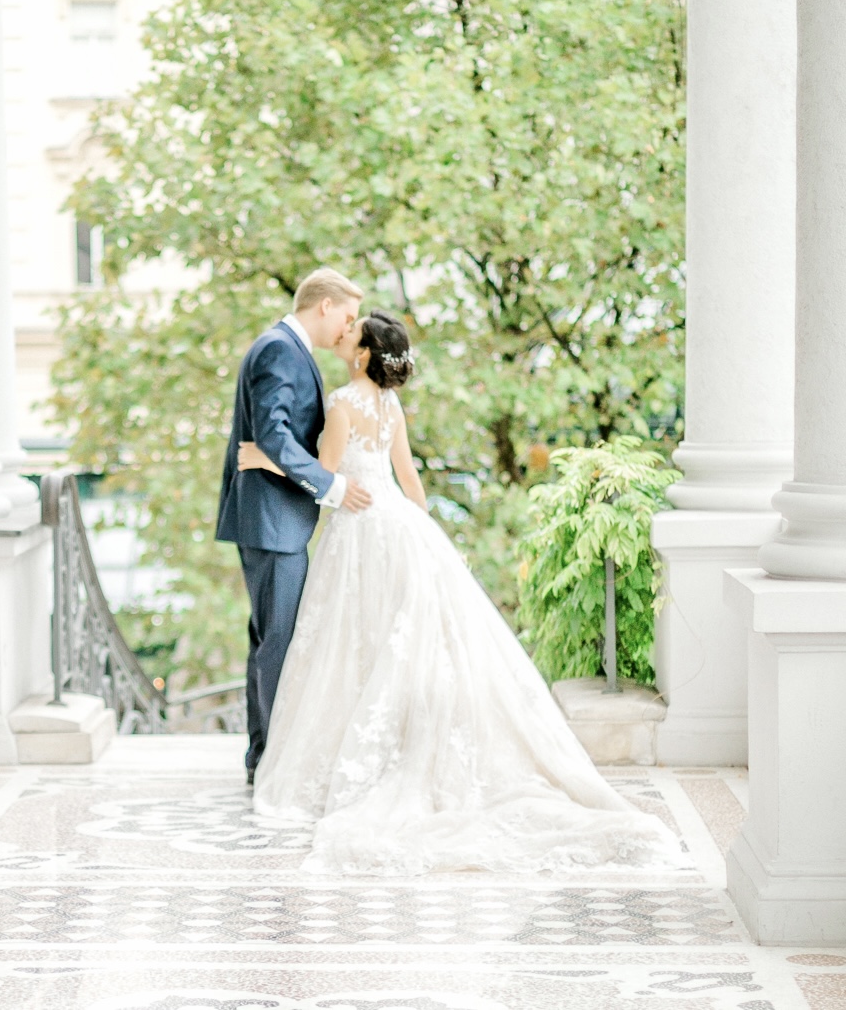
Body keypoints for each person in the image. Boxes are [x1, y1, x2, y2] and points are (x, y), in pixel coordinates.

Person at [236, 309, 683, 877]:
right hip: (398, 524)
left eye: (354, 336)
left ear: (366, 355)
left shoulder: (342, 405)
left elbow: (328, 478)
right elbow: (410, 480)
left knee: (351, 645)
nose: (344, 337)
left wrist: (265, 459)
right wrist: (428, 538)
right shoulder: (392, 407)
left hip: (357, 532)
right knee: (391, 646)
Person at [216, 267, 372, 786]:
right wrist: (330, 486)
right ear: (323, 305)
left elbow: (275, 441)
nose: (347, 330)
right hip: (273, 519)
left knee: (270, 640)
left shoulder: (284, 348)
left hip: (274, 518)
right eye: (347, 317)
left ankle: (263, 757)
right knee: (278, 642)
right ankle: (272, 763)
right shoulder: (281, 349)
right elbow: (275, 433)